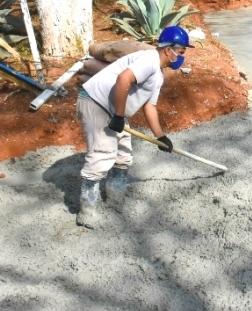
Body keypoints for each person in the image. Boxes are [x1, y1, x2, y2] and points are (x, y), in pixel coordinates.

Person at [75, 25, 194, 228]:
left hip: (113, 110)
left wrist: (160, 137)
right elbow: (124, 79)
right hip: (96, 103)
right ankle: (88, 211)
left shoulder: (158, 75)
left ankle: (115, 198)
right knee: (102, 155)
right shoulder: (149, 59)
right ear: (169, 50)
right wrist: (120, 115)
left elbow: (150, 106)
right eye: (181, 52)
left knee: (123, 155)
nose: (182, 57)